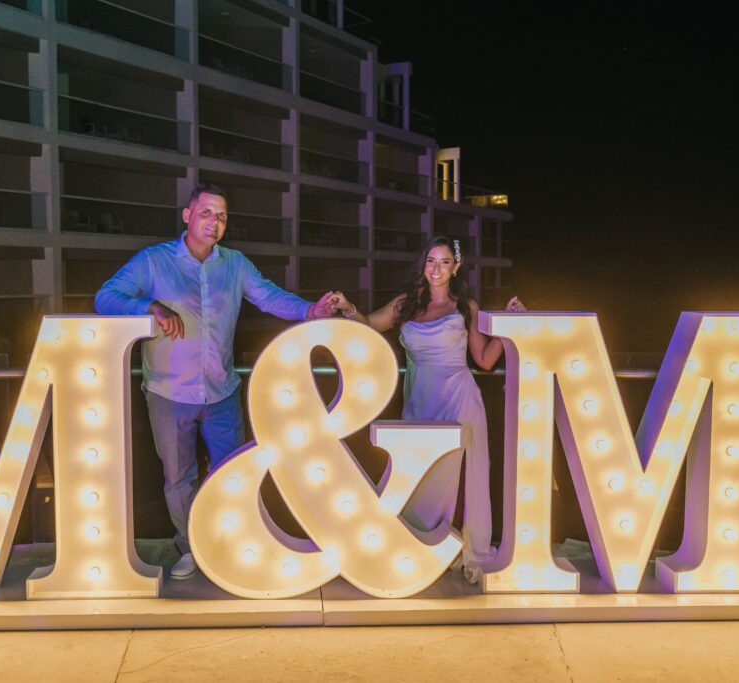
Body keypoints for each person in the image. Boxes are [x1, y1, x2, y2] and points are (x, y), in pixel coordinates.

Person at [94, 182, 336, 580]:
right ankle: (192, 547)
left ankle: (230, 545)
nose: (215, 222)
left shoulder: (235, 264)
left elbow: (270, 297)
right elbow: (106, 296)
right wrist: (149, 307)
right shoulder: (154, 262)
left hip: (222, 391)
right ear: (187, 216)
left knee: (233, 474)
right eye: (206, 213)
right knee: (179, 479)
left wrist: (310, 310)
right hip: (169, 393)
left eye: (222, 216)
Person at [328, 236, 524, 583]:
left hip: (460, 397)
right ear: (424, 264)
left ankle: (470, 550)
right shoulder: (406, 304)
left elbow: (485, 360)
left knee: (469, 474)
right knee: (418, 477)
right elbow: (369, 326)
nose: (436, 269)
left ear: (456, 267)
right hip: (420, 401)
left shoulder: (467, 307)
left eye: (445, 262)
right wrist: (348, 308)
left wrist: (510, 329)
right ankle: (417, 546)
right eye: (431, 261)